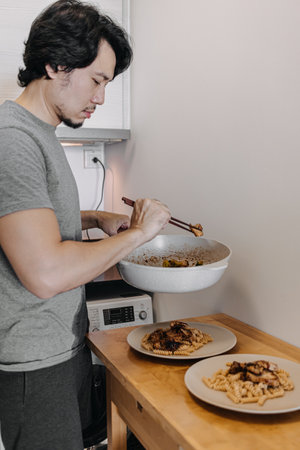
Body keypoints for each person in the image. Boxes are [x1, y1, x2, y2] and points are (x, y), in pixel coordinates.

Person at [0, 1, 171, 449]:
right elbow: (45, 272)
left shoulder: (40, 133)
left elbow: (28, 221)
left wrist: (95, 218)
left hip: (63, 347)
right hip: (34, 364)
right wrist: (140, 233)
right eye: (96, 80)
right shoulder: (12, 140)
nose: (100, 97)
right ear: (56, 65)